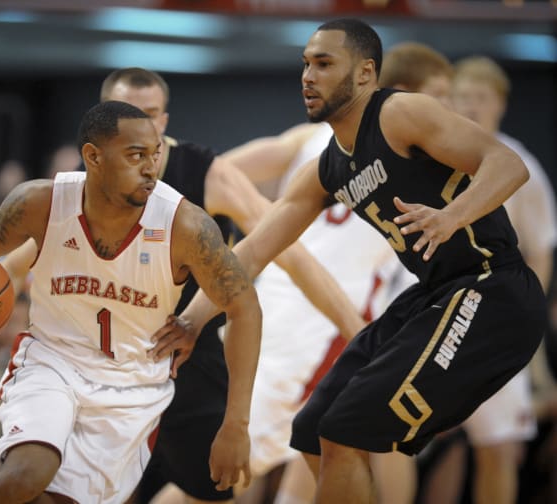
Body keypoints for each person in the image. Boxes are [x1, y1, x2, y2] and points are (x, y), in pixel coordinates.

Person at [149, 19, 547, 504]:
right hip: (435, 293)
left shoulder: (400, 112)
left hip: (491, 288)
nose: (307, 76)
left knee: (353, 429)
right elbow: (251, 252)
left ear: (364, 74)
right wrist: (190, 321)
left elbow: (509, 164)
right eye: (305, 64)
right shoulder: (327, 167)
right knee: (314, 427)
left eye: (323, 63)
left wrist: (451, 216)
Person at [0, 68, 364, 504]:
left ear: (165, 120)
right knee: (49, 483)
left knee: (220, 485)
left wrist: (358, 331)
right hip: (87, 360)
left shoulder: (204, 177)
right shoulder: (78, 190)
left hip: (183, 357)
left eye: (152, 115)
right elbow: (24, 256)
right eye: (131, 114)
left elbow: (286, 249)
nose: (143, 123)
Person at [0, 100, 263, 504]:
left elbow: (244, 307)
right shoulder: (41, 202)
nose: (150, 168)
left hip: (131, 385)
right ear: (93, 157)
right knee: (25, 476)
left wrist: (236, 423)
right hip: (52, 363)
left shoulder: (185, 225)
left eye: (155, 155)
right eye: (135, 155)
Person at [221, 40, 455, 504]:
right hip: (313, 325)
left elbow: (217, 171)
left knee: (324, 447)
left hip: (284, 306)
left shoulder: (315, 135)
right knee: (216, 479)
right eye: (440, 96)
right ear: (405, 92)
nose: (447, 109)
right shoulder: (421, 153)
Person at [415, 54, 557, 504]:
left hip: (496, 320)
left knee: (497, 445)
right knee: (407, 442)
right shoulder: (431, 160)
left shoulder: (523, 168)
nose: (470, 106)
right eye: (461, 97)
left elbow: (540, 251)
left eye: (480, 97)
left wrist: (523, 316)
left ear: (500, 104)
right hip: (438, 316)